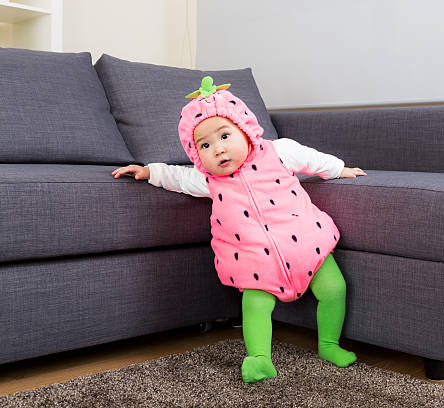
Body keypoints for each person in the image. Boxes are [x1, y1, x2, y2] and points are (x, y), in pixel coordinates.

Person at [112, 77, 366, 383]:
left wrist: (340, 169)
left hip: (307, 245)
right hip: (256, 261)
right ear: (197, 154)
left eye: (224, 136)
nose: (218, 150)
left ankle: (328, 344)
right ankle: (259, 359)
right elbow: (177, 177)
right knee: (255, 305)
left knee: (334, 288)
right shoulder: (209, 180)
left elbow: (312, 159)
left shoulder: (279, 152)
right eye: (205, 145)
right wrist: (150, 171)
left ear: (245, 130)